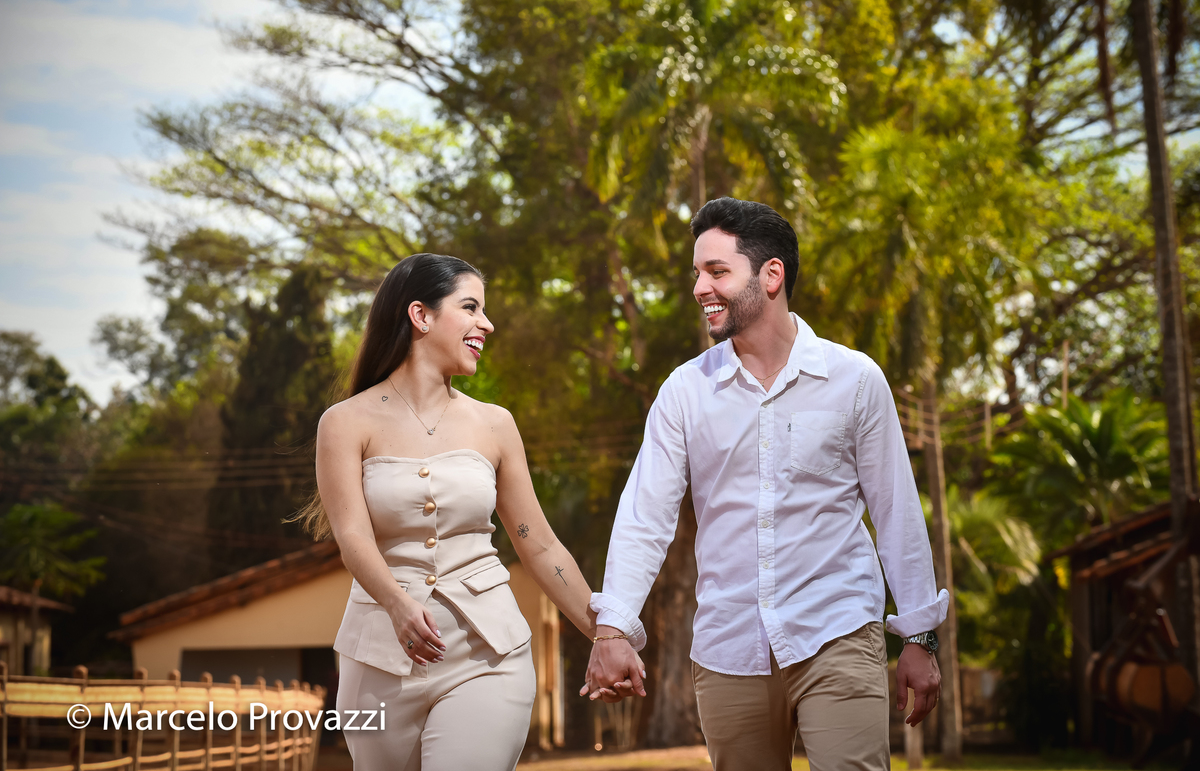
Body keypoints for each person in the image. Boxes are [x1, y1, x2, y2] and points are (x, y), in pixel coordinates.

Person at [583, 198, 948, 770]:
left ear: (771, 275)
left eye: (717, 271)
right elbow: (645, 515)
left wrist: (920, 637)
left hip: (837, 631)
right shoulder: (685, 392)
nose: (700, 288)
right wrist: (612, 630)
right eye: (697, 273)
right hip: (729, 649)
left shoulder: (855, 379)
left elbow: (895, 510)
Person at [297, 254, 627, 771]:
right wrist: (397, 604)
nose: (486, 324)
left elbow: (539, 545)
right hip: (379, 659)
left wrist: (606, 633)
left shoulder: (495, 424)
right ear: (420, 316)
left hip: (488, 656)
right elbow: (352, 536)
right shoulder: (343, 423)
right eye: (470, 308)